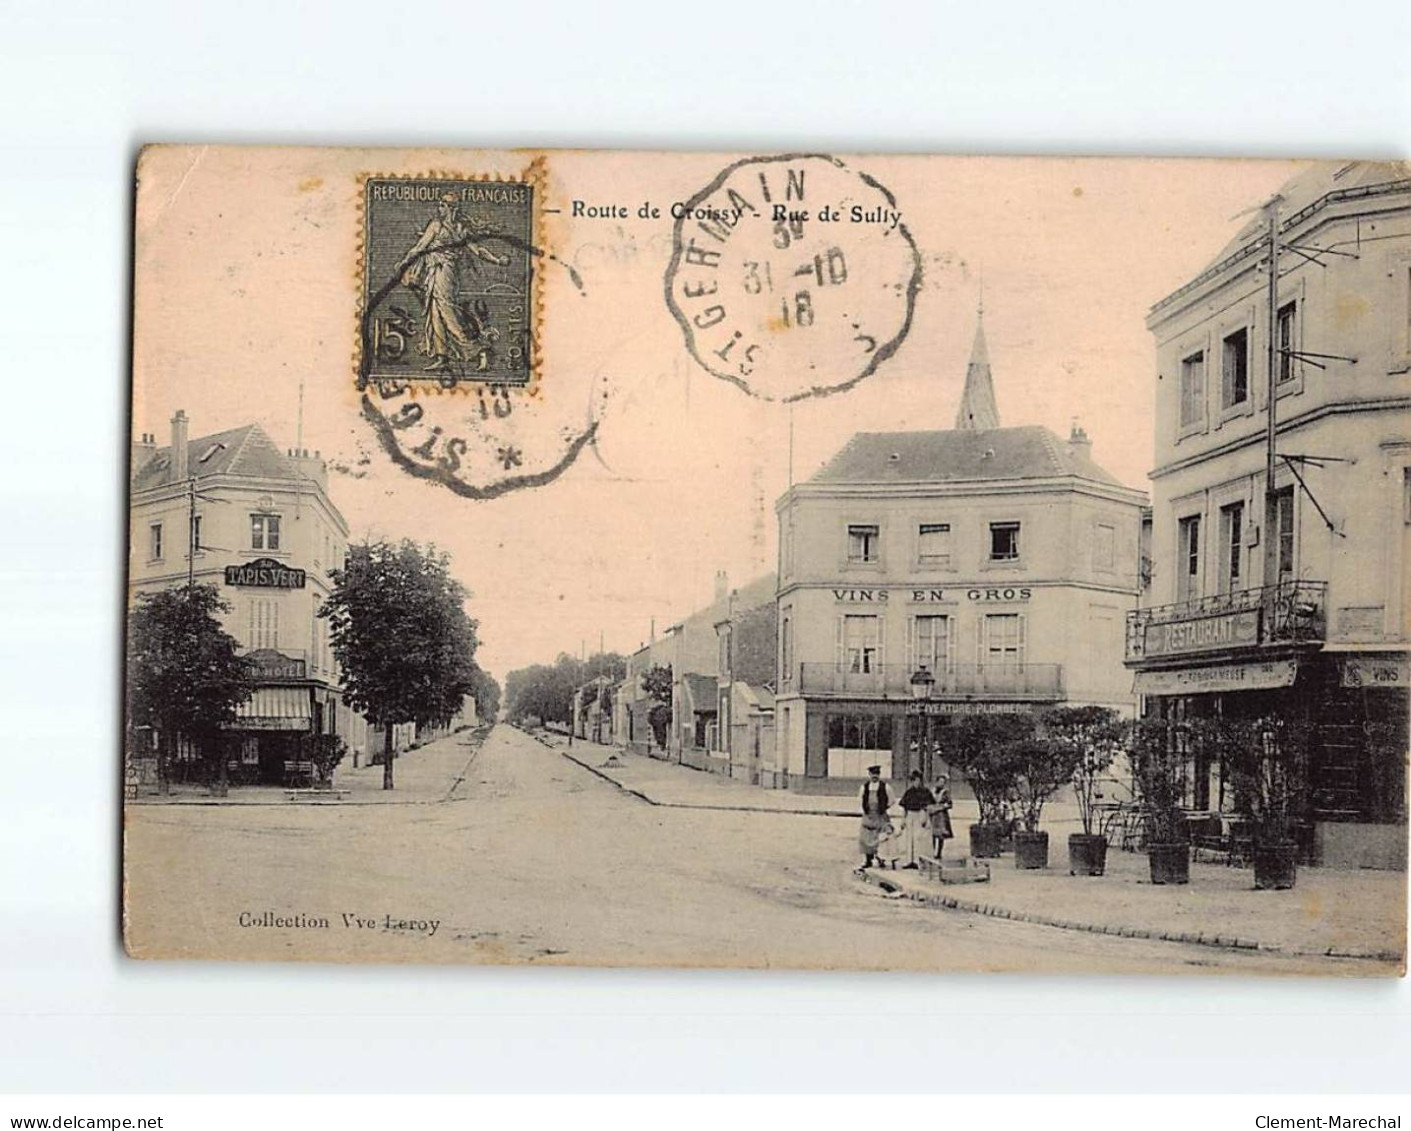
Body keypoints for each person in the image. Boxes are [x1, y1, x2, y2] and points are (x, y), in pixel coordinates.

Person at [399, 193, 510, 373]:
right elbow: (420, 247)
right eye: (440, 204)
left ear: (452, 208)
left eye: (443, 205)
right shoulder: (438, 225)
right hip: (435, 273)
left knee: (448, 314)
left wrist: (497, 260)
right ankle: (442, 357)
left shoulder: (456, 228)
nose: (440, 208)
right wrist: (406, 261)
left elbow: (478, 251)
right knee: (435, 314)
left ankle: (480, 350)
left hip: (445, 274)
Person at [897, 770, 937, 869]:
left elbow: (931, 805)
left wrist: (925, 815)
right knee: (909, 839)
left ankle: (919, 861)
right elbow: (904, 808)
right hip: (910, 815)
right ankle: (909, 861)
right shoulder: (909, 792)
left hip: (921, 815)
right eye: (914, 780)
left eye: (918, 780)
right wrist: (903, 820)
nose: (916, 782)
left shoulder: (926, 792)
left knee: (919, 839)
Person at [857, 765, 892, 870]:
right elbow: (860, 799)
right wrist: (866, 810)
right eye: (873, 774)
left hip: (880, 814)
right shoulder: (864, 787)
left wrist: (884, 807)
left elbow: (892, 799)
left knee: (881, 837)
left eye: (877, 774)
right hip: (869, 815)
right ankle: (868, 860)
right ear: (869, 775)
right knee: (866, 837)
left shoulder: (885, 787)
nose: (875, 776)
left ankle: (881, 859)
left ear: (879, 775)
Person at [927, 774, 955, 860]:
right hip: (933, 815)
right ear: (936, 782)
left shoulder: (945, 792)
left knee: (940, 834)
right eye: (940, 782)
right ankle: (932, 851)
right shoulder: (931, 791)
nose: (941, 784)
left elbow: (950, 804)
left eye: (943, 782)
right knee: (932, 834)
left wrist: (942, 807)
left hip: (941, 816)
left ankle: (939, 853)